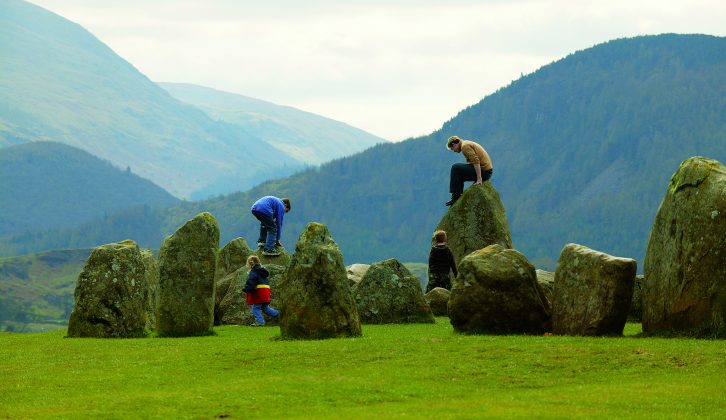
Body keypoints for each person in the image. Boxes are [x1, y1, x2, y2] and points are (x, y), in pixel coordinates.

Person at [445, 135, 493, 206]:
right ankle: (456, 196)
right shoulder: (465, 143)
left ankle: (455, 197)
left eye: (452, 149)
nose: (454, 151)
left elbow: (476, 161)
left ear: (454, 144)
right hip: (487, 171)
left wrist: (479, 179)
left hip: (485, 172)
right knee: (459, 174)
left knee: (455, 168)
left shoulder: (465, 146)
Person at [243, 255, 279, 327]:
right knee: (265, 308)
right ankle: (278, 314)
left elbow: (251, 282)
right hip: (266, 290)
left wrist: (246, 290)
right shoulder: (262, 271)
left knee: (255, 308)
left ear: (250, 264)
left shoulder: (253, 272)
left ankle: (260, 322)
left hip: (259, 291)